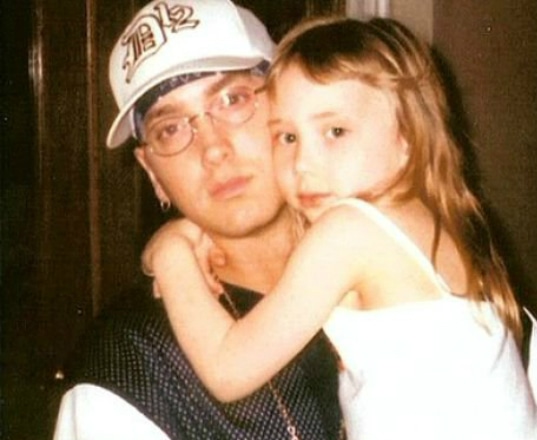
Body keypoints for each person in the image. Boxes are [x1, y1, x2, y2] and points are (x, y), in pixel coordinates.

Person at [143, 16, 537, 440]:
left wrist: (170, 252)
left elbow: (227, 369)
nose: (303, 162)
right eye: (287, 137)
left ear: (407, 139)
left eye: (335, 131)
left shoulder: (348, 232)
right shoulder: (424, 223)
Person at [52, 1, 343, 439]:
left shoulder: (395, 248)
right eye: (170, 128)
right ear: (153, 173)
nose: (212, 149)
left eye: (232, 99)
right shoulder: (130, 368)